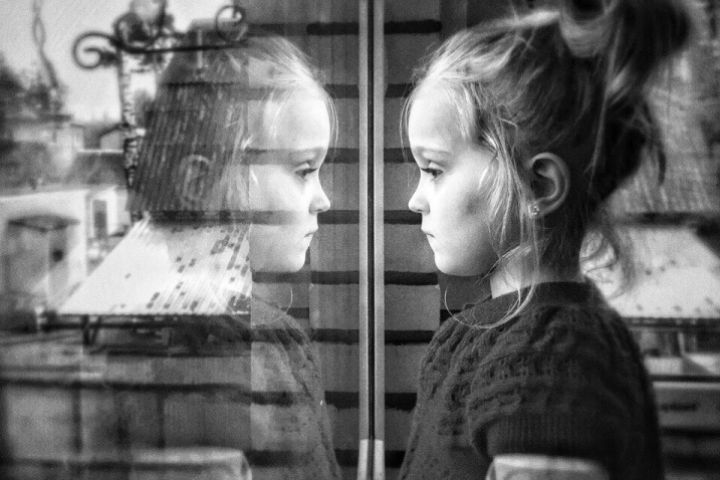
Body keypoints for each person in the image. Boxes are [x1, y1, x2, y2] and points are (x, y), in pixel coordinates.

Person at [400, 0, 692, 479]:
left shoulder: (550, 361)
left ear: (537, 187)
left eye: (434, 170)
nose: (416, 199)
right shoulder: (477, 337)